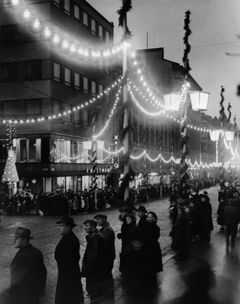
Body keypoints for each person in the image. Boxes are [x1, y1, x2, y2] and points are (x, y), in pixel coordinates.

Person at [10, 227, 47, 304]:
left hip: (23, 297)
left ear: (24, 240)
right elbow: (43, 273)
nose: (14, 240)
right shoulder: (36, 251)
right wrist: (40, 293)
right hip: (34, 296)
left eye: (17, 238)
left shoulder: (22, 256)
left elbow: (16, 281)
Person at [55, 216, 83, 304]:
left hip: (68, 278)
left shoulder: (70, 240)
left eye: (61, 226)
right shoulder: (67, 237)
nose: (59, 228)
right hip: (66, 276)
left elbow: (69, 260)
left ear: (68, 227)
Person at [82, 219, 109, 304]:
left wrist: (86, 270)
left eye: (87, 226)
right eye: (84, 226)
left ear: (93, 227)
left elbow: (93, 257)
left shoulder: (95, 238)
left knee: (94, 293)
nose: (85, 228)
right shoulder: (93, 237)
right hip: (95, 271)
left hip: (94, 272)